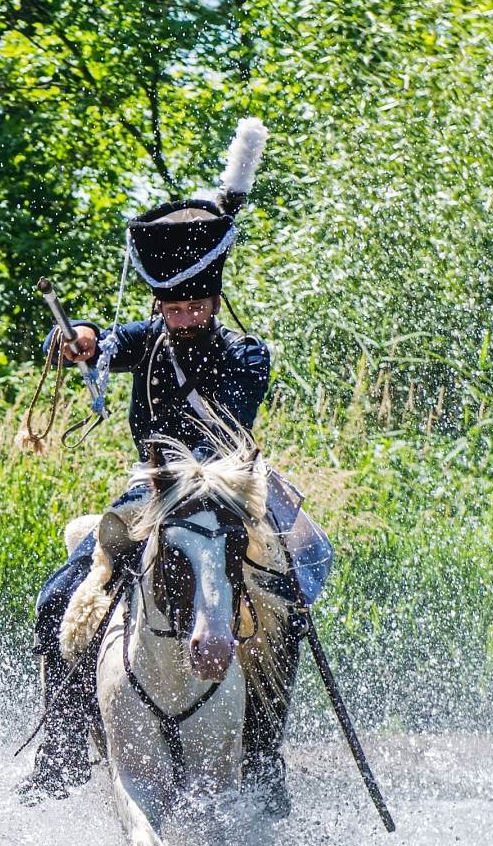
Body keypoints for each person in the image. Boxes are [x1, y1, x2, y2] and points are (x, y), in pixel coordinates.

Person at [22, 119, 299, 809]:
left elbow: (223, 439)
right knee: (56, 598)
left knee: (282, 608)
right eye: (171, 307)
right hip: (147, 493)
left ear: (214, 300)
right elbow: (98, 339)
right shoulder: (146, 339)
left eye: (195, 305)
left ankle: (263, 752)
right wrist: (81, 340)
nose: (182, 318)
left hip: (227, 494)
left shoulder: (247, 355)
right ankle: (61, 744)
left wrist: (197, 484)